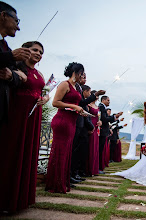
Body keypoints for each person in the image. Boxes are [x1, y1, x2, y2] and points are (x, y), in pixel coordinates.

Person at [0, 41, 48, 213]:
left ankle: (23, 197)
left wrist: (46, 99)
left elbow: (43, 91)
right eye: (35, 50)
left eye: (41, 52)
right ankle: (6, 199)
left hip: (34, 116)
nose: (38, 54)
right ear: (25, 50)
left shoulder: (39, 73)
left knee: (29, 153)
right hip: (18, 114)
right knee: (13, 152)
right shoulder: (17, 68)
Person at [45, 62, 85, 193]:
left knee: (66, 152)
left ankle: (62, 180)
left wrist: (79, 109)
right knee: (60, 152)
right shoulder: (65, 84)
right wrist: (74, 107)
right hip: (62, 121)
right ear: (76, 72)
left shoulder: (76, 86)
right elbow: (55, 102)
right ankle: (54, 183)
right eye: (81, 73)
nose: (82, 76)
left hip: (71, 121)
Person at [0, 1, 31, 126]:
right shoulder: (9, 54)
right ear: (3, 15)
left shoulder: (5, 47)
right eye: (16, 21)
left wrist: (12, 75)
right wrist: (11, 56)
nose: (18, 27)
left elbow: (19, 76)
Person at [98, 95, 122, 173]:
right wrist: (114, 116)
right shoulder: (101, 107)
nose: (109, 102)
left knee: (101, 149)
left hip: (104, 131)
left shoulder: (102, 107)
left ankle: (99, 167)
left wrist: (115, 117)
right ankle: (98, 167)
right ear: (103, 100)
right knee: (100, 150)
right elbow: (104, 119)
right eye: (108, 100)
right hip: (102, 131)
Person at [87, 90, 102, 176]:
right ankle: (88, 169)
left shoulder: (97, 106)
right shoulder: (88, 105)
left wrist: (101, 122)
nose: (97, 97)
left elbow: (99, 117)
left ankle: (94, 168)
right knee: (90, 146)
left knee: (95, 147)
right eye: (96, 95)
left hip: (97, 127)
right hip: (90, 125)